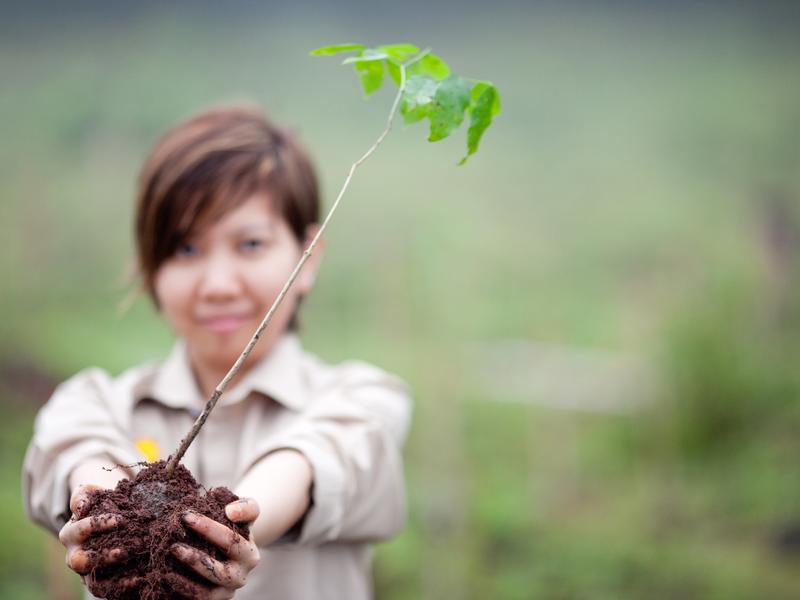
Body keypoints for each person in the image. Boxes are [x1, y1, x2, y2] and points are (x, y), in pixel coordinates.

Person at [22, 105, 412, 600]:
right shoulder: (96, 401)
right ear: (150, 268)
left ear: (307, 258)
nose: (219, 285)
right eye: (186, 249)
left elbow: (323, 454)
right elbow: (73, 449)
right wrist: (104, 511)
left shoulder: (363, 397)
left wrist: (234, 526)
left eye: (250, 243)